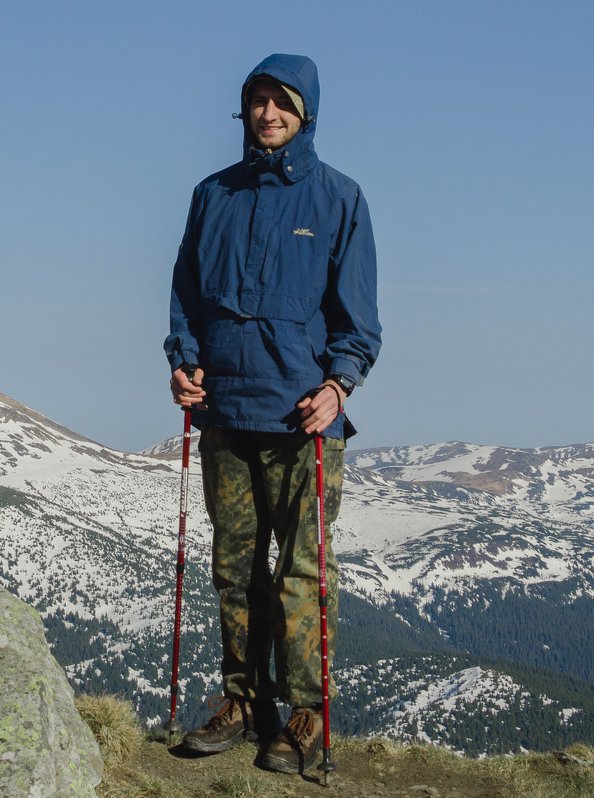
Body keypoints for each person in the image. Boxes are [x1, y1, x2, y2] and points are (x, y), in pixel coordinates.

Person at [165, 53, 380, 775]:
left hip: (302, 420)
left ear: (305, 113)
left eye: (282, 102)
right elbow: (186, 297)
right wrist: (183, 360)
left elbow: (358, 320)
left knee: (302, 572)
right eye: (258, 101)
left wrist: (340, 384)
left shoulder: (339, 199)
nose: (268, 114)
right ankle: (242, 703)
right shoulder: (212, 195)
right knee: (234, 567)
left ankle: (307, 716)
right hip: (225, 411)